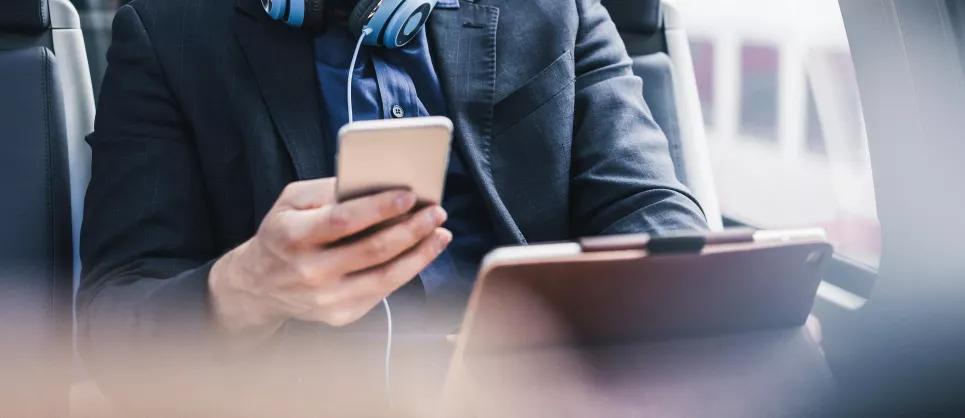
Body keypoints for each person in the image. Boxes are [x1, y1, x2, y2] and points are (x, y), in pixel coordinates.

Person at [77, 0, 708, 413]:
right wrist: (243, 290)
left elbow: (650, 209)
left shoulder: (553, 11)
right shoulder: (169, 35)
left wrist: (712, 303)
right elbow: (112, 324)